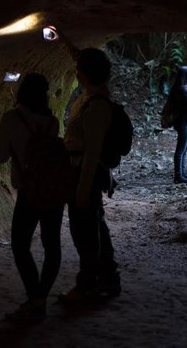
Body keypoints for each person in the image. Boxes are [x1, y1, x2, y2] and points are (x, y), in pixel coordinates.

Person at [0, 73, 63, 321]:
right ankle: (40, 297)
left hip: (29, 191)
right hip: (55, 190)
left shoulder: (12, 119)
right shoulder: (51, 121)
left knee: (21, 245)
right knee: (52, 245)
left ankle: (35, 300)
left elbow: (0, 156)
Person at [59, 47, 122, 302]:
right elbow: (82, 60)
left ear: (84, 74)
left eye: (78, 68)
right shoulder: (92, 95)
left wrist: (83, 188)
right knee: (95, 227)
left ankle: (89, 285)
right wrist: (62, 38)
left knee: (84, 231)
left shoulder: (97, 106)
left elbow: (93, 151)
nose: (75, 71)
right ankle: (107, 280)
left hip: (86, 173)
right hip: (83, 171)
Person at [168, 66, 187, 183]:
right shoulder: (184, 89)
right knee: (181, 149)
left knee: (183, 148)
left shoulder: (176, 88)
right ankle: (178, 175)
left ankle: (181, 173)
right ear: (186, 76)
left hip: (179, 121)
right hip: (184, 121)